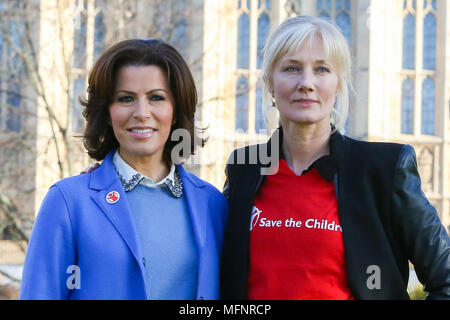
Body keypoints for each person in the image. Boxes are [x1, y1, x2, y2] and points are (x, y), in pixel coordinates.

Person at [220, 16, 450, 300]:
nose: (306, 83)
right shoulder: (244, 169)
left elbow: (446, 280)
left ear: (338, 83)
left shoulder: (384, 169)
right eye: (291, 68)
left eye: (321, 69)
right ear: (270, 83)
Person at [20, 39, 228, 300]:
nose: (142, 112)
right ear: (107, 112)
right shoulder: (69, 202)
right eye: (126, 98)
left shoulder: (213, 205)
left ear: (175, 111)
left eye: (156, 98)